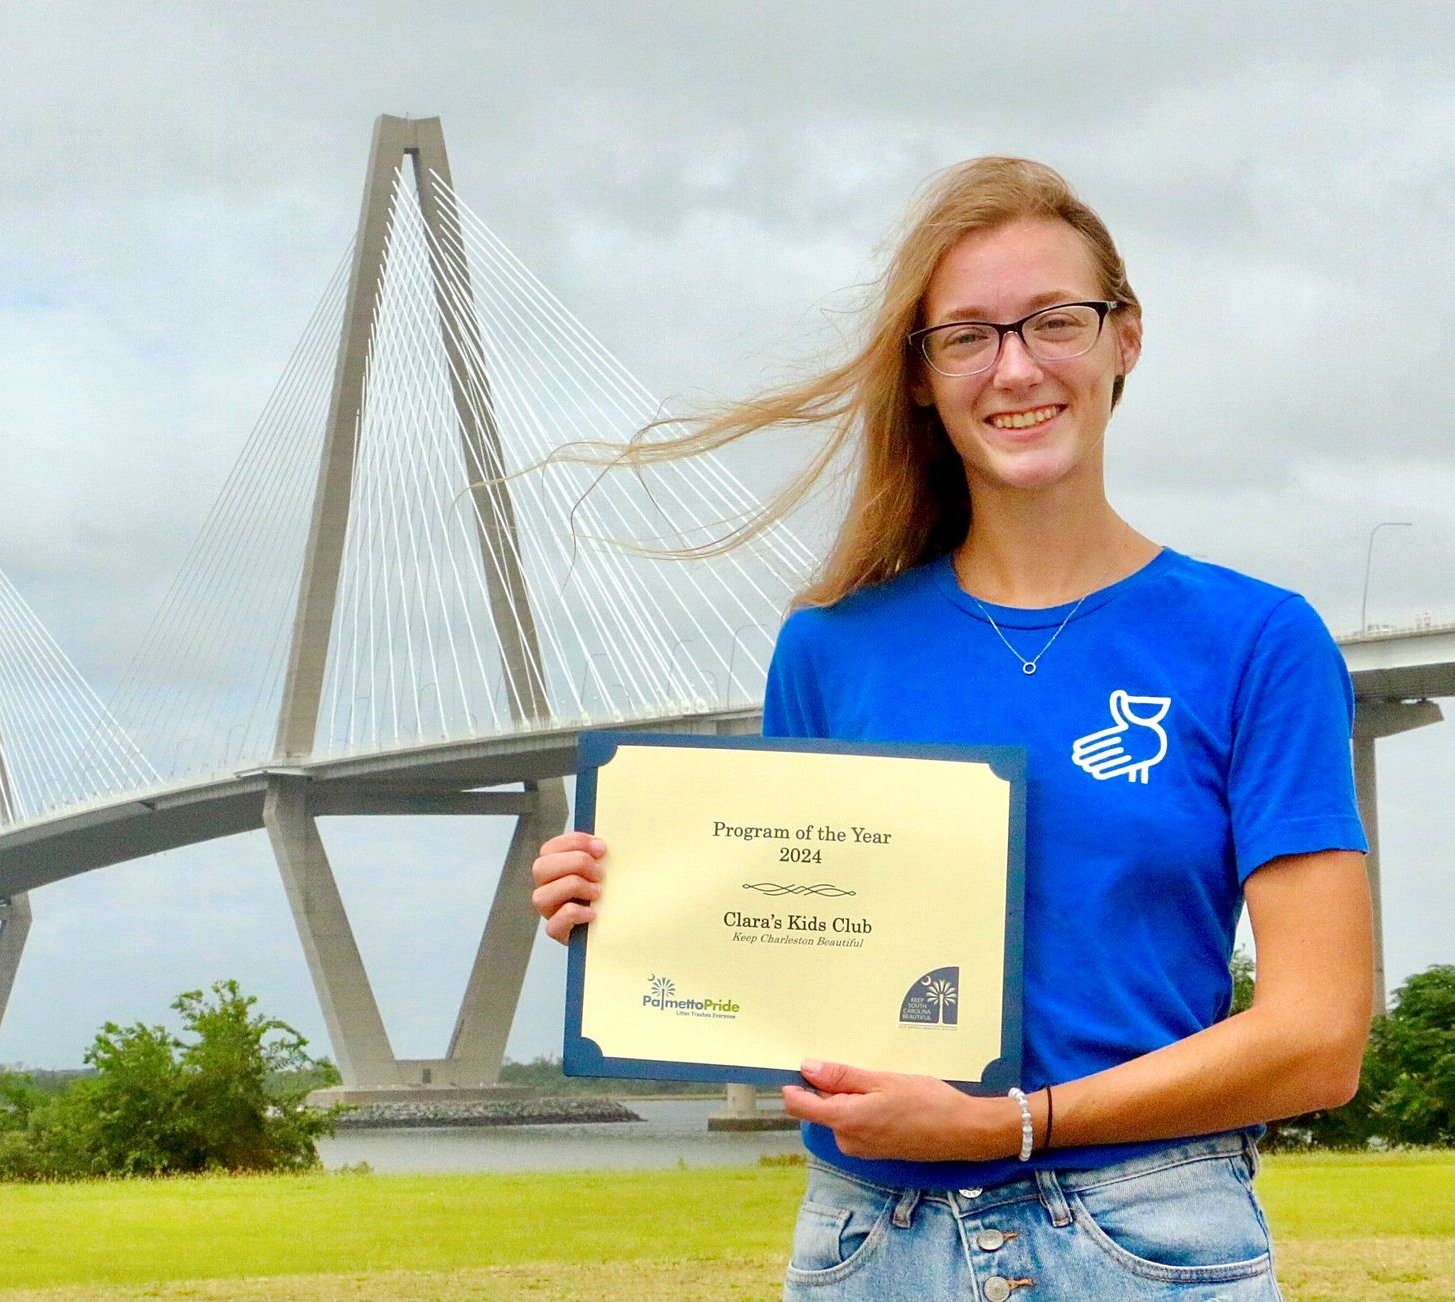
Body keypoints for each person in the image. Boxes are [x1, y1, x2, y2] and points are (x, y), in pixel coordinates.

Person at [529, 157, 1371, 1300]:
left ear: (1124, 337)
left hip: (1146, 1243)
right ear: (920, 379)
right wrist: (629, 913)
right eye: (966, 336)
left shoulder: (1256, 640)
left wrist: (1006, 1127)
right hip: (871, 1243)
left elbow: (1317, 1041)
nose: (1014, 366)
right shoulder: (830, 649)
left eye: (1052, 323)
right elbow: (793, 954)